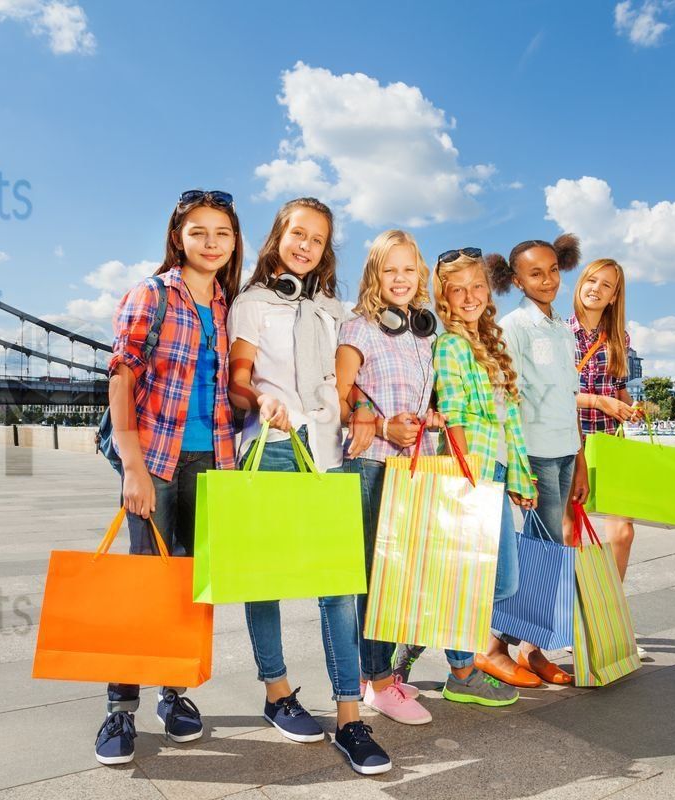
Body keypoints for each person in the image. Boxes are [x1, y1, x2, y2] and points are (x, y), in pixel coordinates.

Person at [227, 197, 392, 775]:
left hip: (329, 456)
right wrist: (261, 399)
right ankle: (277, 692)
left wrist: (366, 410)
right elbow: (238, 381)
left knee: (339, 588)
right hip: (271, 450)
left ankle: (350, 718)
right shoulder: (250, 304)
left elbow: (346, 381)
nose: (305, 245)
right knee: (264, 578)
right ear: (279, 236)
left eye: (317, 239)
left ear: (325, 251)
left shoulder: (333, 309)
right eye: (297, 233)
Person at [97, 189, 242, 765]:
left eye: (223, 233)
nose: (211, 243)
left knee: (187, 585)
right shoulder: (152, 294)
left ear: (235, 241)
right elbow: (120, 380)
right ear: (177, 236)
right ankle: (120, 708)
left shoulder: (229, 304)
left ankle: (173, 694)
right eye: (199, 232)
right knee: (142, 586)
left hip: (213, 463)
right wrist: (132, 467)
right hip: (155, 460)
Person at [335, 229, 447, 725]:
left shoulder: (426, 331)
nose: (400, 279)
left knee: (399, 574)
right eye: (390, 269)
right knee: (376, 578)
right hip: (370, 464)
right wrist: (380, 423)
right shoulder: (358, 328)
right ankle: (380, 684)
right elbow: (336, 400)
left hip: (413, 466)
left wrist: (434, 418)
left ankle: (372, 674)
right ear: (374, 275)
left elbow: (429, 401)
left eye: (409, 269)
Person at [419, 247, 539, 696]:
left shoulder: (489, 342)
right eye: (457, 289)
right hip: (472, 475)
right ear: (444, 296)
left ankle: (426, 645)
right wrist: (467, 482)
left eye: (476, 286)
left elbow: (510, 422)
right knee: (482, 581)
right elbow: (453, 417)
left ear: (487, 291)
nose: (469, 296)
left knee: (500, 582)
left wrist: (519, 478)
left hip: (495, 471)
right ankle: (462, 669)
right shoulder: (451, 344)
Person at [487, 235, 586, 685]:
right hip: (535, 453)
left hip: (564, 449)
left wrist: (580, 456)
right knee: (540, 552)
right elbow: (509, 395)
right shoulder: (514, 326)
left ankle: (531, 648)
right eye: (535, 273)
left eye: (552, 270)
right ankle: (497, 646)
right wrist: (518, 465)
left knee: (548, 551)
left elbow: (568, 397)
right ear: (516, 280)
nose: (547, 280)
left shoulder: (563, 329)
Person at [567, 258, 648, 659]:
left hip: (609, 440)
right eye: (592, 280)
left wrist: (631, 406)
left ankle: (610, 619)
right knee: (570, 535)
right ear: (581, 283)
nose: (597, 288)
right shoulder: (560, 333)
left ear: (616, 296)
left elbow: (618, 389)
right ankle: (566, 622)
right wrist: (598, 400)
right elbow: (552, 394)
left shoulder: (620, 337)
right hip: (569, 440)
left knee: (623, 533)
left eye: (607, 285)